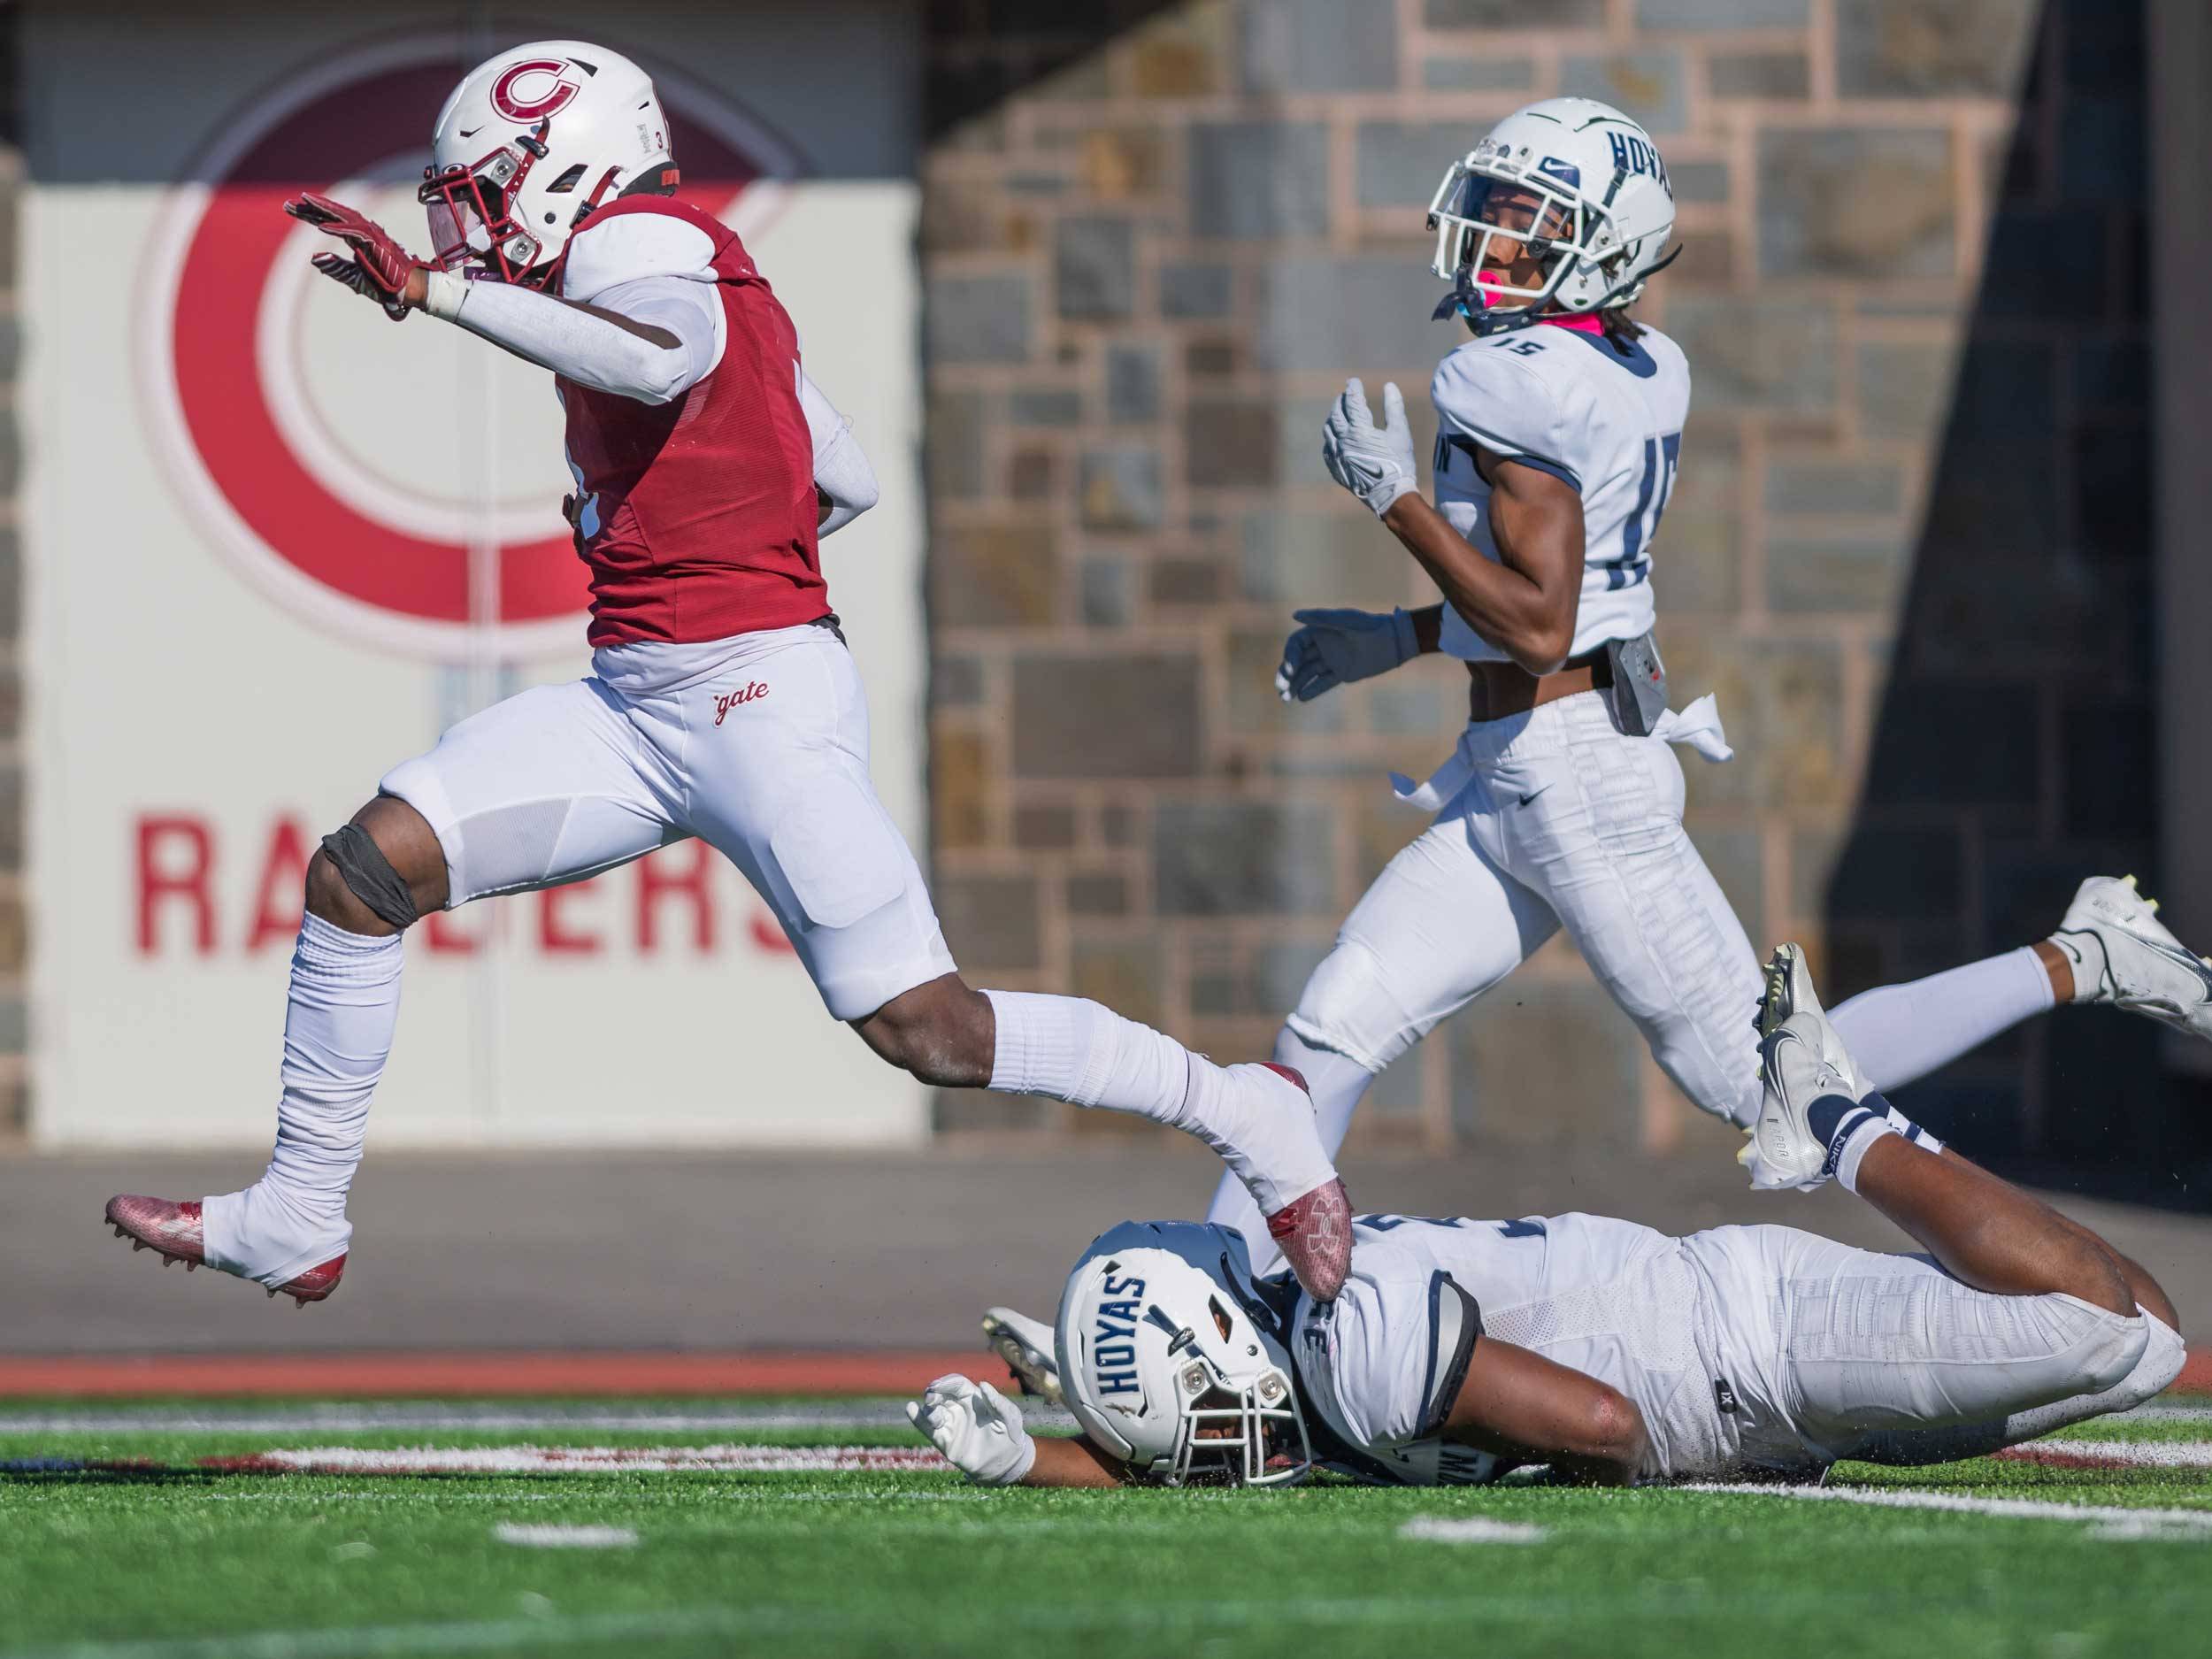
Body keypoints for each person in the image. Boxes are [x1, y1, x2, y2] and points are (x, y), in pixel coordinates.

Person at [101, 40, 1349, 1309]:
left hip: (749, 697)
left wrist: (438, 296)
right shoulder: (680, 259)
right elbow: (841, 476)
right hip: (643, 699)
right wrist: (721, 521)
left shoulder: (638, 242)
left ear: (565, 168)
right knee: (362, 874)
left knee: (935, 1032)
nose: (471, 228)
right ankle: (299, 1213)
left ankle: (1245, 1111)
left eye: (483, 194)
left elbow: (656, 358)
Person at [1203, 93, 2212, 1244]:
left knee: (1764, 1080)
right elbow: (1575, 605)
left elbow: (1540, 625)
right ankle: (1217, 1288)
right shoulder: (1638, 363)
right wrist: (1397, 636)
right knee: (1330, 1028)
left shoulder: (1509, 379)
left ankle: (2081, 957)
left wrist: (1394, 504)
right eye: (1495, 211)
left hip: (1574, 773)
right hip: (1524, 764)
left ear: (1606, 245)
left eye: (1529, 221)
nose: (1492, 239)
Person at [912, 947, 2186, 1489]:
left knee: (2113, 1330)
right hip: (1740, 1363)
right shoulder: (1302, 1324)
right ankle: (1843, 1124)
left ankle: (1839, 1122)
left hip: (1747, 1358)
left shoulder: (1350, 1346)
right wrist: (1045, 1452)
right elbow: (1262, 1434)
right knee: (2156, 1331)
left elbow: (1609, 1428)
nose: (1202, 1453)